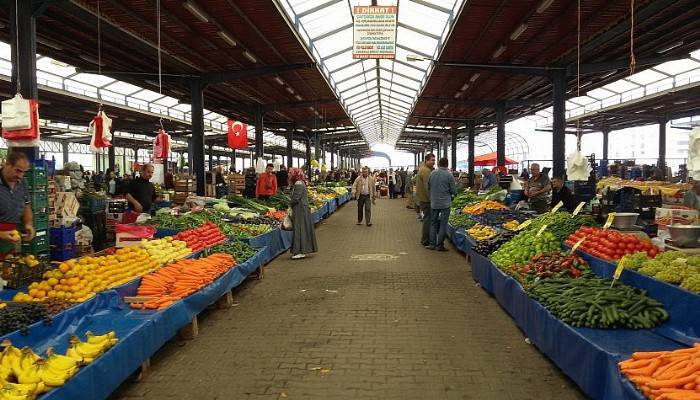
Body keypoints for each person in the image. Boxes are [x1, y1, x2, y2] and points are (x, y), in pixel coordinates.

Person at [0, 152, 35, 254]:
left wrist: (28, 224)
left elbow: (26, 205)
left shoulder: (23, 182)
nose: (20, 175)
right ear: (7, 164)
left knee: (9, 266)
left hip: (11, 236)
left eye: (23, 172)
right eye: (18, 170)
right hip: (3, 233)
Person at [427, 158, 456, 251]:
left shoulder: (432, 173)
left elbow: (428, 186)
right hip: (445, 204)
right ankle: (439, 245)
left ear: (439, 164)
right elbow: (453, 191)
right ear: (447, 164)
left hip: (434, 202)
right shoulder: (449, 175)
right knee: (443, 224)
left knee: (433, 223)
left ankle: (432, 244)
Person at [288, 168, 318, 259]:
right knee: (302, 228)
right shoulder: (299, 183)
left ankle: (301, 250)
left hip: (300, 208)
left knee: (300, 228)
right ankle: (300, 250)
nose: (288, 174)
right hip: (300, 208)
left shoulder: (298, 184)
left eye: (290, 173)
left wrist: (289, 203)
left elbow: (296, 198)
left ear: (295, 174)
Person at [415, 154, 436, 246]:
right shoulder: (426, 171)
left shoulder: (424, 169)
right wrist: (432, 199)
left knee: (427, 219)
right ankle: (425, 240)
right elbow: (427, 187)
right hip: (426, 200)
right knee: (428, 220)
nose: (433, 162)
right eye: (432, 160)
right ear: (426, 161)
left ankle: (426, 239)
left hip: (423, 199)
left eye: (434, 160)